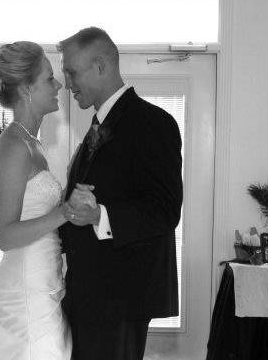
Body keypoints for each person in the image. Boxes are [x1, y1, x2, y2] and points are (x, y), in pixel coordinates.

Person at [58, 27, 183, 360]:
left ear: (100, 66)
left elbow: (166, 209)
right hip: (91, 297)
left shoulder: (152, 123)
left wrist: (100, 215)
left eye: (72, 72)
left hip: (119, 298)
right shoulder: (101, 123)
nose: (67, 83)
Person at [0, 41, 72, 359]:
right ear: (28, 89)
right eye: (49, 78)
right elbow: (6, 235)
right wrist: (64, 213)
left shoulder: (31, 143)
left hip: (44, 281)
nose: (58, 84)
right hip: (27, 291)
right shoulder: (15, 147)